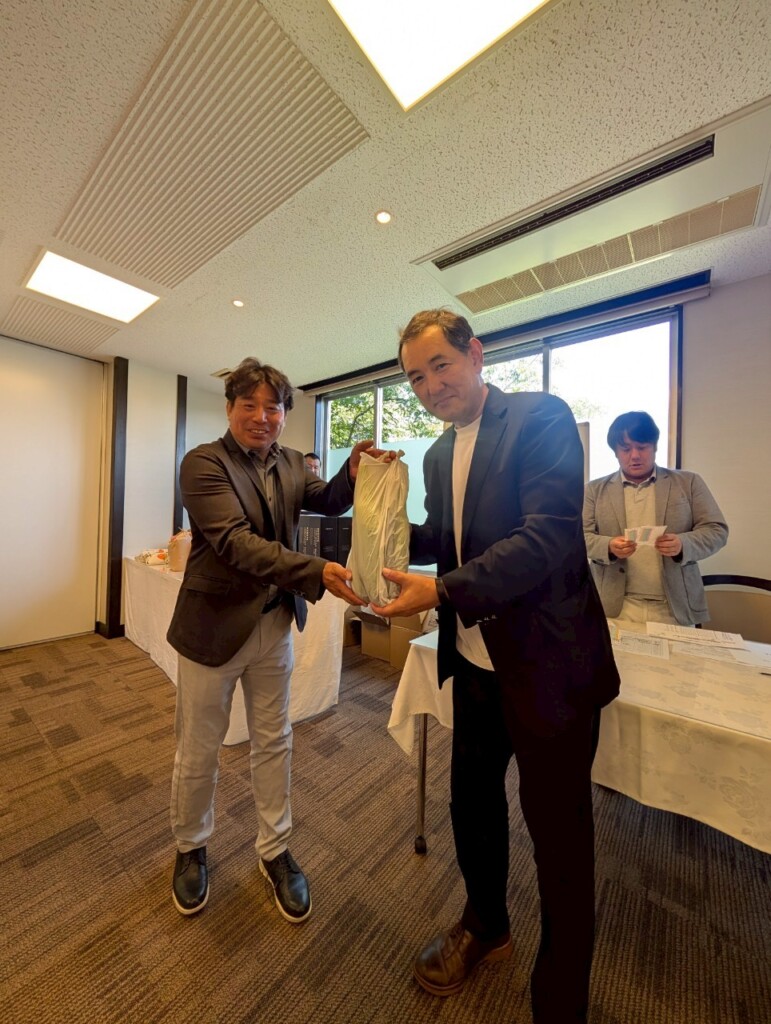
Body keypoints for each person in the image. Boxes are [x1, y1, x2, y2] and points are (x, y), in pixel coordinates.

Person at [370, 310, 620, 1024]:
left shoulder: (540, 418)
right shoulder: (437, 454)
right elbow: (444, 539)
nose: (429, 386)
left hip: (550, 669)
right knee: (471, 806)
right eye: (415, 377)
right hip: (476, 664)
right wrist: (375, 500)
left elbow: (546, 538)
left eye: (440, 366)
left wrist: (442, 591)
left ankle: (560, 997)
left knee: (559, 836)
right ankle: (486, 925)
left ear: (475, 355)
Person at [167, 357, 375, 922]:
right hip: (213, 629)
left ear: (284, 413)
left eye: (273, 407)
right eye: (249, 405)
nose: (262, 417)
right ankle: (190, 845)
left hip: (273, 624)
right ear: (229, 408)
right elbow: (235, 543)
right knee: (200, 747)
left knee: (275, 740)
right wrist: (317, 570)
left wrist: (353, 472)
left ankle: (275, 849)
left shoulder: (289, 461)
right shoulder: (203, 463)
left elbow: (328, 500)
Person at [583, 411, 728, 626]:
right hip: (614, 606)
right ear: (615, 452)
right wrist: (608, 546)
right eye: (626, 449)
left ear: (655, 446)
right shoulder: (594, 490)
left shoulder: (688, 482)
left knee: (681, 651)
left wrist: (683, 544)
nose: (634, 455)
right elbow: (578, 538)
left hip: (675, 605)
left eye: (642, 447)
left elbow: (717, 530)